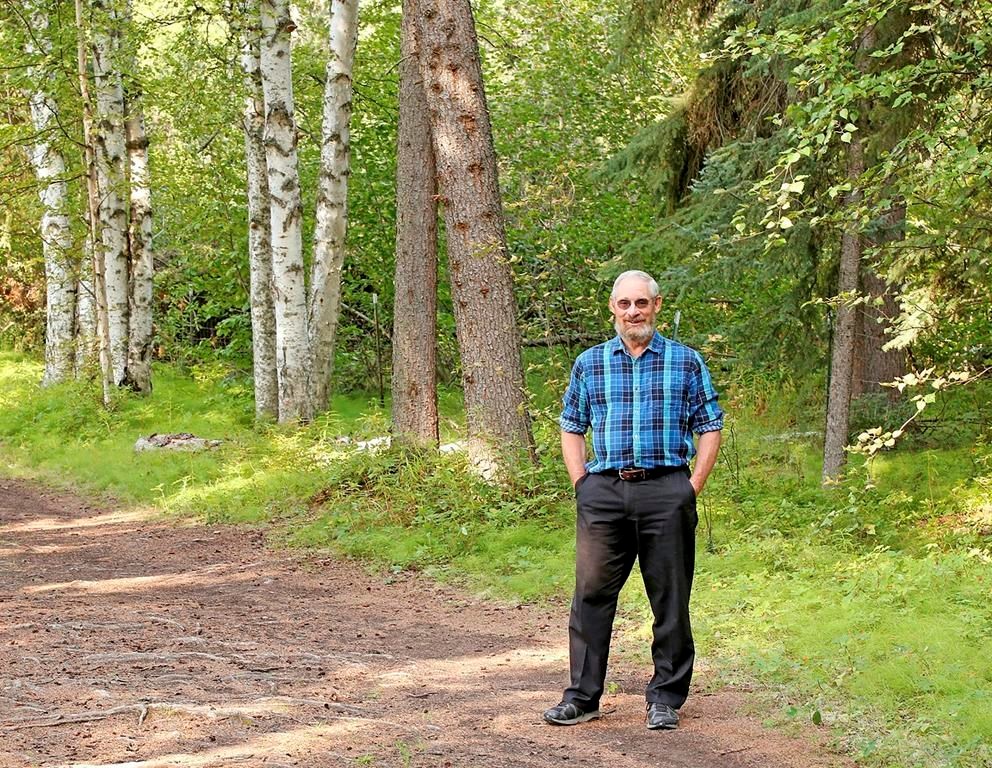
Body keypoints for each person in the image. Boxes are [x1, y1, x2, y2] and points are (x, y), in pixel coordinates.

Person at [543, 269, 724, 731]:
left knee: (669, 597)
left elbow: (710, 425)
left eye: (641, 303)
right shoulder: (590, 363)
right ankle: (582, 697)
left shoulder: (685, 362)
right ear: (612, 309)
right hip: (603, 492)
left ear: (656, 306)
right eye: (624, 304)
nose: (632, 312)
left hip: (666, 490)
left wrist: (692, 485)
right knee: (590, 595)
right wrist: (581, 482)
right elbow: (571, 424)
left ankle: (665, 697)